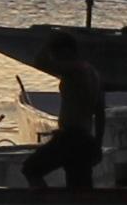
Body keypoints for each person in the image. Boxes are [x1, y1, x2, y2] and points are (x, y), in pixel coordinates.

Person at [25, 48, 108, 192]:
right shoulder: (94, 74)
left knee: (30, 169)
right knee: (80, 187)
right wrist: (97, 143)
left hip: (70, 137)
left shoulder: (73, 69)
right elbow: (100, 113)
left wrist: (46, 47)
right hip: (85, 139)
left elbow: (42, 63)